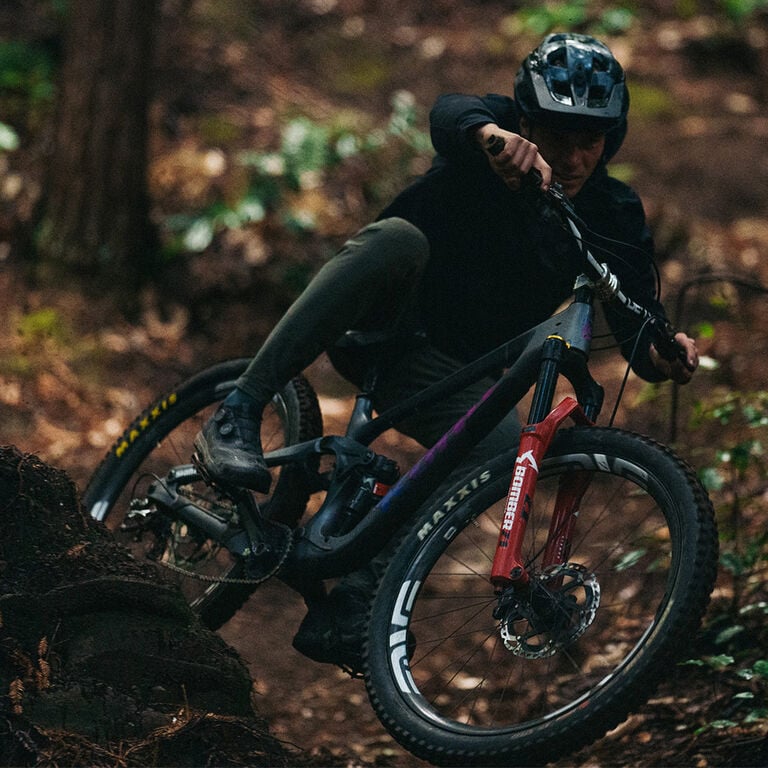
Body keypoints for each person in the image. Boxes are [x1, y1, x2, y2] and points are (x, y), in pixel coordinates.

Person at [195, 33, 699, 673]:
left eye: (590, 138)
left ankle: (358, 598)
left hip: (451, 371)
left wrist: (664, 355)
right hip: (380, 322)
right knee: (399, 240)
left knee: (502, 447)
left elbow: (636, 326)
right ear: (525, 120)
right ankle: (238, 410)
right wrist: (493, 141)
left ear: (613, 138)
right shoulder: (491, 141)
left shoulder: (614, 210)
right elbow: (450, 113)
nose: (572, 154)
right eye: (555, 133)